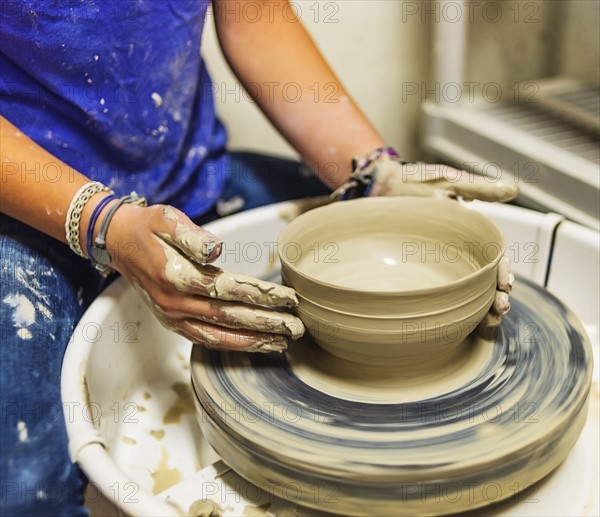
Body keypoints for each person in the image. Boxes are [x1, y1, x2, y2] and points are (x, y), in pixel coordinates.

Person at [0, 1, 516, 515]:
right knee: (25, 489)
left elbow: (255, 14)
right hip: (28, 200)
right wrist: (101, 223)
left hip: (186, 172)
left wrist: (373, 174)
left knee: (377, 233)